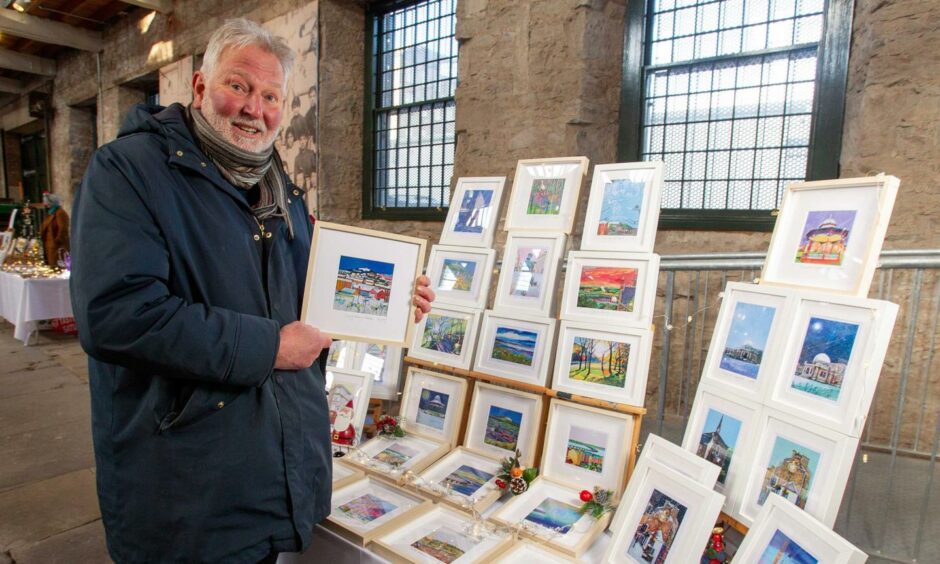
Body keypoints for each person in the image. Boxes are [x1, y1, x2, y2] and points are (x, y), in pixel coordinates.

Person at [69, 18, 434, 563]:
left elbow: (313, 288)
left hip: (269, 467)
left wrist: (395, 292)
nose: (252, 108)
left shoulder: (277, 184)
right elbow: (118, 315)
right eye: (237, 86)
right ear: (199, 88)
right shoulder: (128, 171)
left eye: (269, 95)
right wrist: (271, 348)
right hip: (186, 484)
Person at [39, 191, 69, 267]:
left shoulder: (60, 213)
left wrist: (57, 240)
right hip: (49, 245)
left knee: (56, 264)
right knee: (51, 263)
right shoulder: (51, 213)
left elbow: (63, 229)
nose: (46, 205)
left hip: (56, 245)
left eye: (47, 202)